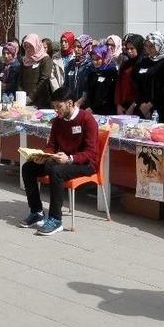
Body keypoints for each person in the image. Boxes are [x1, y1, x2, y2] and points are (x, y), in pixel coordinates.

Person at [18, 87, 99, 236]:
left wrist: (70, 159)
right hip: (60, 159)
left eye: (58, 106)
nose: (56, 110)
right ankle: (36, 211)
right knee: (28, 167)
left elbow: (91, 152)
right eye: (54, 107)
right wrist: (44, 156)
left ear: (69, 103)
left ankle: (56, 219)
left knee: (56, 172)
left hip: (85, 164)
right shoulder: (57, 121)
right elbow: (52, 145)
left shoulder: (87, 119)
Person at [133, 31, 164, 122]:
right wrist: (141, 104)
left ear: (159, 45)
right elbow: (137, 83)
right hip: (142, 106)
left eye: (152, 46)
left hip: (159, 108)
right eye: (146, 46)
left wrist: (150, 105)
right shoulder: (144, 61)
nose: (148, 49)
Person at [16, 34, 54, 108]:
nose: (28, 49)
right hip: (24, 100)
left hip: (40, 101)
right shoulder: (25, 60)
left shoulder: (45, 59)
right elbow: (20, 79)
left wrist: (31, 97)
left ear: (36, 45)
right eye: (26, 46)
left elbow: (44, 79)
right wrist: (21, 95)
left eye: (30, 46)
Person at [83, 44, 118, 115]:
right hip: (92, 111)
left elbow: (107, 94)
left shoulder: (111, 72)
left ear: (105, 57)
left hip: (106, 111)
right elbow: (90, 92)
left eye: (98, 59)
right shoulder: (92, 72)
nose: (94, 62)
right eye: (93, 59)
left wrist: (93, 108)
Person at [115, 34, 145, 115]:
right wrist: (118, 104)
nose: (129, 51)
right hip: (123, 105)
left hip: (137, 105)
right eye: (127, 49)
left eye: (132, 48)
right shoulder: (126, 64)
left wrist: (134, 105)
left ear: (139, 48)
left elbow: (142, 89)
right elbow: (119, 85)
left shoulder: (144, 64)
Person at [64, 34, 93, 106]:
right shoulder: (71, 63)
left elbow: (91, 88)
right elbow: (66, 84)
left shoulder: (91, 65)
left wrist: (81, 101)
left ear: (86, 47)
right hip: (71, 104)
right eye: (75, 46)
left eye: (79, 47)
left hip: (86, 106)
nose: (76, 49)